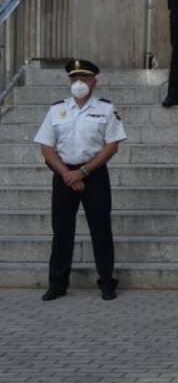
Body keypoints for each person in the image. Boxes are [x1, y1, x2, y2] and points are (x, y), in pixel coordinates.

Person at [34, 60, 127, 302]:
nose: (78, 84)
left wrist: (83, 172)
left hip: (94, 175)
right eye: (74, 79)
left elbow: (112, 145)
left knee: (101, 230)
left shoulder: (106, 109)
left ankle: (107, 282)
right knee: (62, 231)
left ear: (94, 82)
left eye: (84, 79)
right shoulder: (56, 110)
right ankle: (57, 283)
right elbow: (46, 147)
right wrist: (67, 173)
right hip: (63, 175)